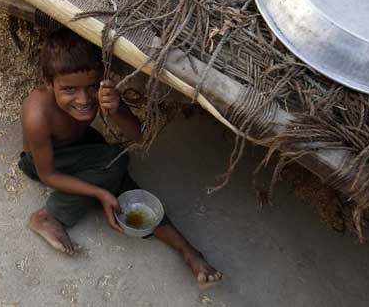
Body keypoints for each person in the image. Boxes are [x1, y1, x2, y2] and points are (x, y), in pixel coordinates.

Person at [18, 28, 222, 288]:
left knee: (124, 184)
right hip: (41, 163)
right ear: (49, 83)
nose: (83, 99)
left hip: (82, 146)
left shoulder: (103, 95)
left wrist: (115, 110)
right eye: (69, 89)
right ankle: (49, 215)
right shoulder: (37, 113)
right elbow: (47, 174)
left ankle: (188, 251)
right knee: (113, 168)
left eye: (92, 86)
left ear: (103, 78)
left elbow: (137, 137)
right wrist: (99, 193)